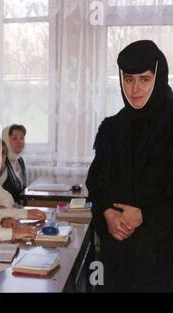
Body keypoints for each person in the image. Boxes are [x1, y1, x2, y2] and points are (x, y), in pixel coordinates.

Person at [86, 40, 173, 292]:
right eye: (128, 79)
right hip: (119, 258)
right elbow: (96, 183)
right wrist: (107, 214)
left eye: (144, 80)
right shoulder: (112, 128)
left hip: (164, 261)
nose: (134, 89)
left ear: (159, 77)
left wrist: (146, 215)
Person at [0, 125, 28, 205]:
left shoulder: (21, 161)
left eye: (22, 138)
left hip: (19, 210)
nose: (20, 141)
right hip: (7, 212)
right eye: (15, 138)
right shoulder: (1, 163)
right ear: (6, 140)